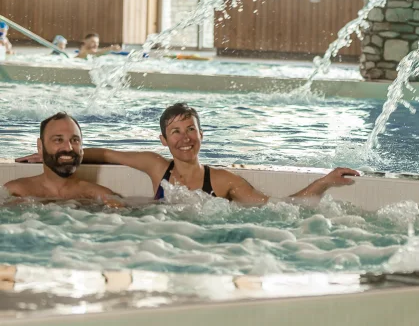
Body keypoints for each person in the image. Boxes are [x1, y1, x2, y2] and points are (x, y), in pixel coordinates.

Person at [17, 103, 360, 204]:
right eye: (176, 132)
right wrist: (59, 154)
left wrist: (325, 181)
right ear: (164, 140)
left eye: (191, 129)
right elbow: (107, 154)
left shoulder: (222, 180)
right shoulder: (156, 166)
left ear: (201, 134)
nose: (185, 138)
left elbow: (278, 207)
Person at [5, 113, 118, 202]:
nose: (68, 148)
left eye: (74, 140)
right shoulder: (15, 192)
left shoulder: (102, 197)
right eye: (58, 140)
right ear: (40, 146)